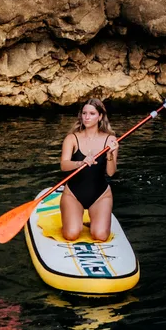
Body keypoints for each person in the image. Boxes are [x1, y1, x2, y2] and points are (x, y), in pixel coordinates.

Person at [58, 98, 119, 243]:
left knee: (100, 236)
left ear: (100, 116)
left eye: (92, 113)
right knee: (71, 234)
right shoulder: (72, 138)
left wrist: (110, 154)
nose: (87, 117)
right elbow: (64, 165)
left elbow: (110, 173)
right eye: (84, 113)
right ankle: (74, 220)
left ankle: (94, 220)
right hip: (73, 194)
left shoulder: (110, 140)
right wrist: (80, 163)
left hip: (100, 195)